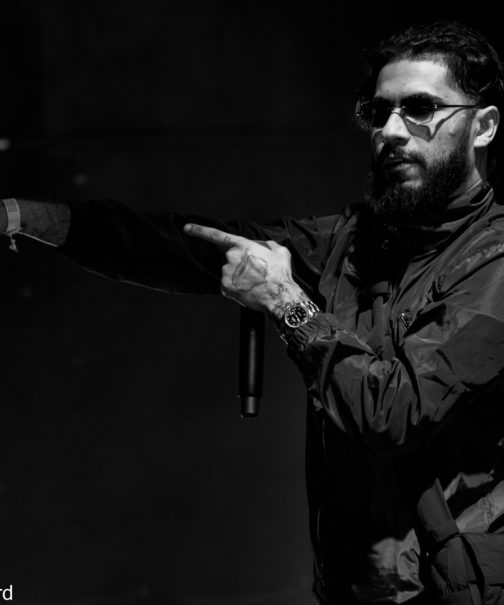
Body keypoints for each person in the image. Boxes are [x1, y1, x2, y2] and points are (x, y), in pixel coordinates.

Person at [2, 18, 504, 605]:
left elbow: (393, 413)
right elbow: (194, 248)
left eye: (420, 108)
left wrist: (286, 302)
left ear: (483, 126)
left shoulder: (494, 261)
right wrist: (26, 216)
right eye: (379, 112)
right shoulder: (356, 240)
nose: (391, 131)